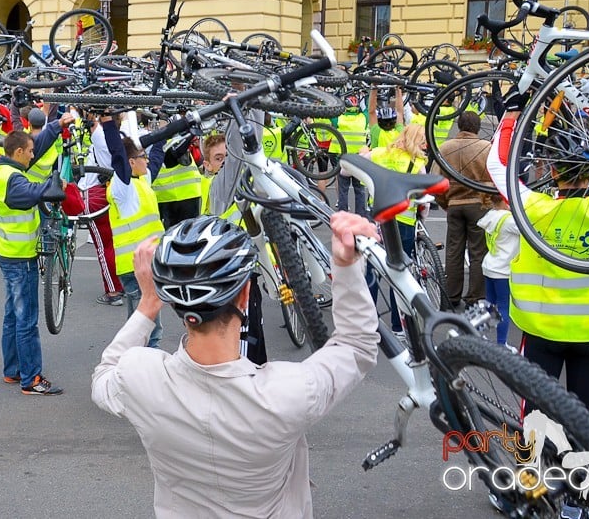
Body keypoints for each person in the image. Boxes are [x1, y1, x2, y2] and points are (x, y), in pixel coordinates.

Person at [91, 213, 379, 517]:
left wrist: (148, 304)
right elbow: (357, 344)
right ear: (244, 296)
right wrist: (346, 266)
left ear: (172, 299)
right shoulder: (289, 392)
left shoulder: (139, 376)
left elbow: (103, 377)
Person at [489, 106, 589, 414]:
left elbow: (497, 164)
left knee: (533, 421)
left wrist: (511, 115)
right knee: (585, 422)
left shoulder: (531, 208)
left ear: (553, 171)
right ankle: (582, 463)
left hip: (539, 332)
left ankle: (527, 464)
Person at [0, 130, 64, 395]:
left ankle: (13, 370)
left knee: (12, 315)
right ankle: (31, 379)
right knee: (26, 320)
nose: (33, 155)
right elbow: (31, 192)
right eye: (30, 152)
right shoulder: (13, 180)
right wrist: (54, 184)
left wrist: (54, 126)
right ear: (18, 152)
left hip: (7, 250)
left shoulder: (0, 168)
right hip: (21, 257)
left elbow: (35, 151)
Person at [104, 116, 166, 348]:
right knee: (147, 330)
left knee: (144, 327)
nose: (147, 160)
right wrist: (109, 123)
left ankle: (138, 370)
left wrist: (162, 128)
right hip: (135, 267)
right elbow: (117, 155)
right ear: (130, 162)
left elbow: (157, 159)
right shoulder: (123, 188)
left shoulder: (141, 181)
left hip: (143, 265)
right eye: (142, 157)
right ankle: (143, 375)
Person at [364, 124, 427, 342]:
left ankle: (368, 323)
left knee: (373, 269)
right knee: (398, 274)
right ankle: (398, 325)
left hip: (379, 219)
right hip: (404, 223)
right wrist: (421, 214)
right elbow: (423, 201)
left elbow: (346, 169)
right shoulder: (418, 164)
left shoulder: (381, 153)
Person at [432, 111, 491, 310]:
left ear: (459, 125)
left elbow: (436, 182)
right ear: (477, 127)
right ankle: (475, 296)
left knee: (453, 251)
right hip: (479, 204)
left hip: (454, 203)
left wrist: (445, 203)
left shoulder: (445, 148)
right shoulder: (486, 148)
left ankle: (451, 295)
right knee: (478, 252)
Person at [75, 112, 124, 306]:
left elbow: (93, 125)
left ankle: (112, 291)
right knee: (115, 245)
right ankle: (122, 285)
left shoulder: (100, 138)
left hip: (95, 195)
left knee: (104, 249)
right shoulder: (120, 139)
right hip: (110, 194)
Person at [477, 192, 519, 352]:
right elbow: (528, 230)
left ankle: (479, 334)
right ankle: (501, 344)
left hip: (489, 265)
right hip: (503, 269)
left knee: (489, 303)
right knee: (503, 306)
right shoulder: (509, 220)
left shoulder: (491, 215)